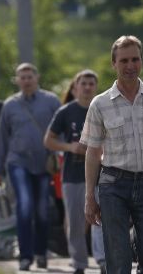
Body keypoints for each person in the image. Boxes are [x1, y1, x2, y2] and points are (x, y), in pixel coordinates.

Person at [81, 35, 143, 274]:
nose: (130, 66)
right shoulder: (100, 104)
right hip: (113, 184)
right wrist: (89, 196)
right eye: (124, 60)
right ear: (113, 64)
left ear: (142, 61)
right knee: (118, 259)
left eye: (135, 59)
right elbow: (93, 152)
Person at [0, 63, 61, 271]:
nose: (26, 80)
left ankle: (40, 253)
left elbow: (62, 130)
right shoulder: (10, 105)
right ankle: (25, 256)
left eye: (29, 76)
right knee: (24, 206)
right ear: (17, 80)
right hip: (18, 162)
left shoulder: (51, 101)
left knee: (41, 211)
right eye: (22, 77)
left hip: (43, 164)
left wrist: (60, 154)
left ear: (37, 77)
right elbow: (2, 139)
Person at [44, 70, 106, 274]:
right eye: (84, 83)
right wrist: (71, 147)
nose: (87, 87)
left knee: (101, 219)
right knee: (76, 222)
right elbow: (48, 140)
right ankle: (79, 263)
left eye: (91, 83)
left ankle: (103, 259)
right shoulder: (66, 112)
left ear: (96, 87)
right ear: (75, 87)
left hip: (101, 174)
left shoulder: (103, 108)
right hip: (72, 175)